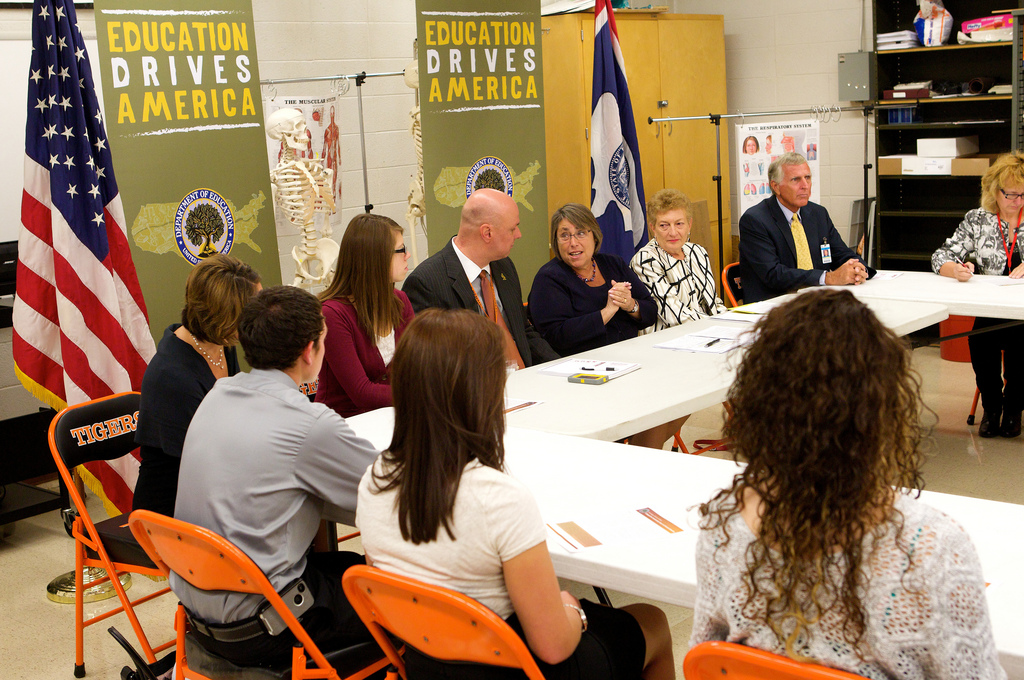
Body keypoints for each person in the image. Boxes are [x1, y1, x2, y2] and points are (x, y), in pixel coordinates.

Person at [691, 289, 1005, 680]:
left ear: (758, 401)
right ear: (885, 408)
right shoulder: (930, 547)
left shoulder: (723, 523)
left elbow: (706, 657)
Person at [357, 309, 676, 680]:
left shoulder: (375, 478)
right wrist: (574, 609)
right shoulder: (498, 500)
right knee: (652, 621)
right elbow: (554, 647)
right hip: (512, 667)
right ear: (485, 392)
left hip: (426, 662)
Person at [172, 286, 378, 667]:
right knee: (402, 598)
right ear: (309, 350)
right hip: (266, 629)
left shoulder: (217, 395)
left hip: (198, 617)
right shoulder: (309, 423)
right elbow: (393, 495)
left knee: (344, 565)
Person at [133, 254, 260, 517]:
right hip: (174, 512)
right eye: (252, 311)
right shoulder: (171, 376)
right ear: (223, 317)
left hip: (215, 492)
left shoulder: (222, 346)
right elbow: (210, 464)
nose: (261, 318)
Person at [403, 187, 558, 367]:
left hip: (525, 382)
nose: (518, 235)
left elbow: (523, 331)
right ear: (487, 233)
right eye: (512, 229)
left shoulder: (503, 266)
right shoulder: (426, 283)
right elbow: (431, 361)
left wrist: (561, 367)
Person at [933, 152, 1024, 437]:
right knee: (980, 344)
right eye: (1010, 195)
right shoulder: (978, 219)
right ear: (994, 191)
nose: (1017, 201)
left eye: (1023, 194)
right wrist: (955, 269)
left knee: (1022, 349)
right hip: (991, 308)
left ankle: (1013, 408)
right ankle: (992, 406)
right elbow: (941, 255)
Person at [315, 213, 414, 418]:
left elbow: (416, 366)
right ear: (376, 257)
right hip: (344, 426)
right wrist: (421, 394)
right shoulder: (333, 314)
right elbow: (362, 393)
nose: (408, 255)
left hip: (391, 419)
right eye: (401, 250)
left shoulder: (400, 301)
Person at [739, 152, 872, 303]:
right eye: (796, 180)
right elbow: (773, 274)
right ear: (776, 187)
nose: (805, 186)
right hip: (775, 306)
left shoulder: (818, 214)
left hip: (816, 301)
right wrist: (828, 278)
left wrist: (858, 269)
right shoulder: (755, 220)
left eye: (807, 178)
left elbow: (841, 254)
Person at [529, 203, 657, 355]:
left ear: (594, 236)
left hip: (632, 353)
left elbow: (650, 312)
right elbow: (557, 337)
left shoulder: (613, 263)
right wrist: (608, 311)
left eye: (581, 233)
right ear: (556, 242)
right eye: (564, 235)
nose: (573, 243)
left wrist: (630, 304)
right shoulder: (548, 278)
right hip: (584, 366)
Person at [630, 189, 727, 332]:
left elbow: (713, 302)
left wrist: (731, 321)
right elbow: (674, 315)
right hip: (667, 341)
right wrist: (716, 326)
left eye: (679, 224)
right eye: (664, 225)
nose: (673, 232)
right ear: (653, 228)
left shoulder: (698, 252)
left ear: (689, 225)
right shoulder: (645, 260)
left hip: (707, 332)